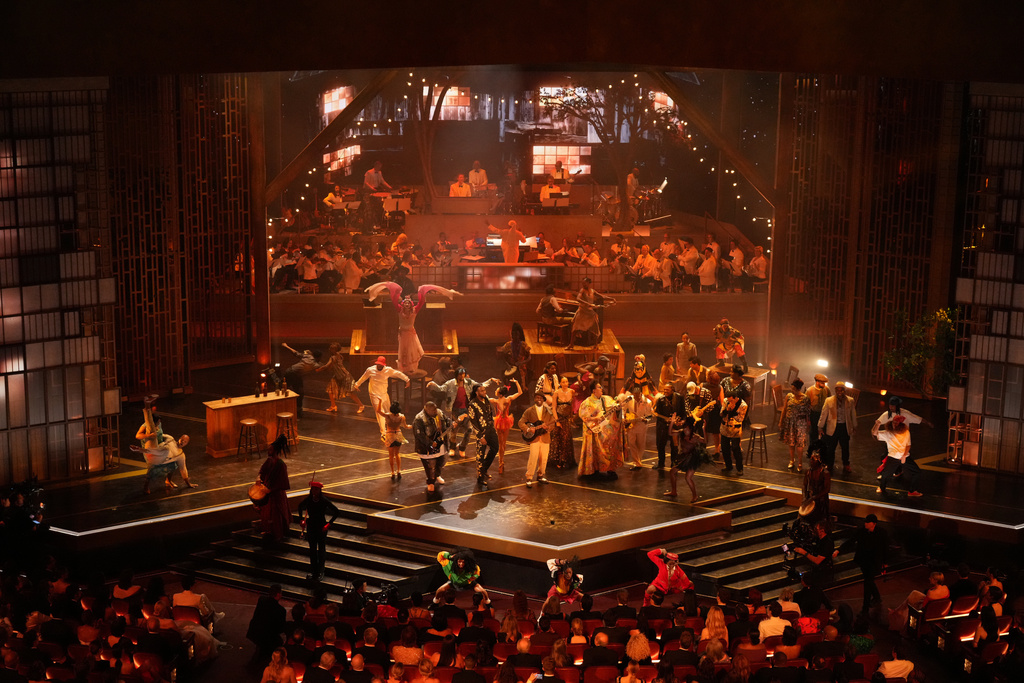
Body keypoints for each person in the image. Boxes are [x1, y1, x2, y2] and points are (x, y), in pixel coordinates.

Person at [366, 281, 462, 374]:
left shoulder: (415, 311)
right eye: (405, 303)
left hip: (411, 333)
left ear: (411, 304)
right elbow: (394, 300)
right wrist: (393, 290)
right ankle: (403, 367)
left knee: (411, 351)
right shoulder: (400, 310)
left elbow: (421, 302)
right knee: (403, 350)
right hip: (403, 333)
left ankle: (411, 368)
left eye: (408, 303)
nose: (407, 304)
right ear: (402, 304)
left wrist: (423, 292)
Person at [429, 367, 493, 459]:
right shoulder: (450, 383)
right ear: (456, 375)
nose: (462, 376)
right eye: (460, 374)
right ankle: (452, 447)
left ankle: (462, 447)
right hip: (455, 410)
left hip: (467, 410)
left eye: (463, 374)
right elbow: (441, 389)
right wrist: (433, 384)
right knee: (454, 430)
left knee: (469, 430)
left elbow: (480, 385)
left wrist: (490, 380)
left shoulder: (469, 382)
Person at [834, 513, 888, 614]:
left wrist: (885, 562)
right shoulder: (861, 531)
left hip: (873, 562)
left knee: (867, 583)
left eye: (868, 522)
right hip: (863, 561)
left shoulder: (882, 533)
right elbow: (851, 541)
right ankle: (876, 597)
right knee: (869, 581)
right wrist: (839, 550)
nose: (865, 524)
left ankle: (865, 608)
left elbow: (885, 548)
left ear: (874, 524)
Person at [355, 355, 411, 436]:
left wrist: (407, 379)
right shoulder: (370, 370)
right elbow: (364, 377)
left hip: (384, 393)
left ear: (383, 364)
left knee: (388, 411)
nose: (379, 366)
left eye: (381, 364)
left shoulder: (388, 370)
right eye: (378, 364)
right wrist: (357, 384)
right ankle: (383, 432)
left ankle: (395, 425)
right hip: (374, 394)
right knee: (379, 412)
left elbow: (397, 373)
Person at [578, 383, 624, 479]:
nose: (601, 389)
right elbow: (584, 417)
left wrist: (619, 407)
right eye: (599, 387)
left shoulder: (606, 399)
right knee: (594, 449)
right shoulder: (587, 402)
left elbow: (615, 407)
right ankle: (594, 468)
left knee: (610, 447)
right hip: (595, 430)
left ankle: (610, 468)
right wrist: (595, 419)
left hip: (606, 432)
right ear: (593, 390)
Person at [297, 479, 340, 581]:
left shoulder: (324, 500)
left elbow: (336, 511)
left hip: (321, 526)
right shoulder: (309, 500)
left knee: (321, 550)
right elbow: (299, 506)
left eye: (316, 489)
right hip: (311, 526)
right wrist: (301, 519)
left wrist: (329, 524)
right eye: (313, 489)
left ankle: (321, 571)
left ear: (319, 490)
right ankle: (314, 571)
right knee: (312, 550)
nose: (314, 491)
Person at [873, 415, 922, 497]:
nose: (895, 425)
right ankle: (882, 488)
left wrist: (904, 456)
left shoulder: (906, 432)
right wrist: (877, 424)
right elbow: (875, 433)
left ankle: (912, 491)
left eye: (897, 423)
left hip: (905, 457)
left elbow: (908, 445)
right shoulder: (887, 433)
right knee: (885, 474)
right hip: (893, 457)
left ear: (901, 424)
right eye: (894, 422)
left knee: (917, 472)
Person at [413, 401, 454, 492]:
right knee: (430, 465)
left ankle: (437, 475)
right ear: (426, 410)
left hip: (440, 442)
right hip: (426, 446)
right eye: (433, 410)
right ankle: (430, 481)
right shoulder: (419, 419)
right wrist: (430, 443)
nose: (435, 412)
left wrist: (451, 423)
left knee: (442, 461)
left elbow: (447, 420)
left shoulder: (439, 413)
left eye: (436, 409)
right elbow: (419, 435)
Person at [256, 435, 291, 541]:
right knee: (267, 514)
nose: (268, 452)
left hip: (276, 494)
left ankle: (278, 534)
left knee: (276, 515)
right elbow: (262, 471)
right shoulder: (269, 461)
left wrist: (270, 489)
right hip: (268, 493)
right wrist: (258, 478)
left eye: (270, 450)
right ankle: (268, 531)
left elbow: (283, 482)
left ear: (275, 451)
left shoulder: (281, 465)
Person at [818, 381, 857, 474]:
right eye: (837, 390)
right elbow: (824, 414)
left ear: (844, 390)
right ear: (835, 390)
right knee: (831, 448)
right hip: (832, 427)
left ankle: (846, 464)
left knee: (845, 447)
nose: (839, 392)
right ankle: (830, 464)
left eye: (841, 390)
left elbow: (853, 414)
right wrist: (820, 427)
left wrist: (854, 426)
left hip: (844, 426)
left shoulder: (850, 400)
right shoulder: (829, 400)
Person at [468, 382, 502, 488]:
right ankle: (480, 477)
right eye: (482, 391)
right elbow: (473, 422)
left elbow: (489, 414)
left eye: (484, 390)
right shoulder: (472, 404)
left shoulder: (486, 400)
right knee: (480, 454)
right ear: (476, 392)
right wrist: (480, 436)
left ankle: (484, 469)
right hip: (482, 432)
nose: (484, 392)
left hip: (490, 429)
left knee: (495, 448)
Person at [521, 392, 557, 488]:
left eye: (541, 398)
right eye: (537, 398)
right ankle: (529, 477)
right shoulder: (529, 411)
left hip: (545, 437)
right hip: (535, 438)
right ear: (534, 399)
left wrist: (548, 428)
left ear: (544, 400)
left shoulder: (548, 411)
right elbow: (521, 422)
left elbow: (553, 423)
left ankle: (540, 475)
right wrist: (528, 429)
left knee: (544, 458)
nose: (539, 399)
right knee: (533, 457)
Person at [316, 343, 364, 414]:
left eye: (332, 348)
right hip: (339, 375)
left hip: (343, 376)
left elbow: (327, 366)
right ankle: (333, 405)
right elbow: (332, 367)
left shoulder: (333, 357)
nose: (330, 350)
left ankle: (361, 405)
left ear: (335, 349)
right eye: (330, 348)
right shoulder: (340, 356)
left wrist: (318, 369)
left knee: (350, 393)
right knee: (330, 390)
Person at [666, 418, 703, 501]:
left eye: (686, 428)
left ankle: (695, 496)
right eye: (684, 428)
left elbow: (705, 441)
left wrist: (704, 429)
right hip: (684, 457)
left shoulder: (694, 437)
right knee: (672, 472)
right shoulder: (681, 433)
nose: (685, 430)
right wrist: (672, 422)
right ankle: (674, 491)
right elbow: (670, 433)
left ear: (690, 428)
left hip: (692, 459)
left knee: (688, 478)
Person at [281, 342, 322, 417]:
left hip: (291, 372)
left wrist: (286, 346)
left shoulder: (308, 356)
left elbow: (295, 353)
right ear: (318, 357)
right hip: (292, 374)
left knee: (298, 391)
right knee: (288, 390)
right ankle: (291, 409)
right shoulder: (316, 364)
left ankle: (297, 410)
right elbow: (323, 368)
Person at [491, 379, 522, 474]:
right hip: (505, 421)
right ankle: (501, 461)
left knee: (501, 443)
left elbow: (484, 397)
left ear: (500, 394)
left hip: (500, 422)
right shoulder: (508, 399)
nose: (495, 391)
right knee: (503, 443)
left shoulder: (495, 401)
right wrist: (516, 382)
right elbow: (520, 392)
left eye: (497, 390)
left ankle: (501, 462)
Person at [779, 378, 811, 472]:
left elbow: (808, 413)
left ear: (798, 388)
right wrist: (781, 421)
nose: (792, 390)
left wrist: (808, 424)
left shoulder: (805, 399)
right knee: (791, 443)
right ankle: (791, 460)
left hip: (801, 424)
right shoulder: (789, 396)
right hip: (790, 422)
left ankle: (800, 462)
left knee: (800, 444)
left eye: (794, 389)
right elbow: (784, 409)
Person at [247, 584, 287, 659]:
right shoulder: (281, 610)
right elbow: (280, 629)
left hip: (254, 631)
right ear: (278, 594)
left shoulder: (261, 600)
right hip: (267, 637)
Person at [619, 385, 653, 470]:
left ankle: (639, 460)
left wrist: (646, 420)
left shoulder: (647, 402)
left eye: (637, 395)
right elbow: (623, 409)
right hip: (631, 424)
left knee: (640, 444)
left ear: (641, 394)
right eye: (634, 395)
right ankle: (636, 463)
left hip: (641, 425)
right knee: (632, 443)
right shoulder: (629, 399)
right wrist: (624, 418)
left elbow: (650, 415)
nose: (636, 397)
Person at [375, 400, 409, 480]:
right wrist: (411, 426)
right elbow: (406, 426)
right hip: (398, 434)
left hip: (390, 435)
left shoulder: (388, 416)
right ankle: (399, 471)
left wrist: (380, 401)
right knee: (397, 454)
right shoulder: (402, 416)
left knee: (391, 455)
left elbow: (378, 411)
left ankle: (393, 472)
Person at [793, 520, 834, 587]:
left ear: (822, 531)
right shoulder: (819, 539)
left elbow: (818, 560)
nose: (815, 530)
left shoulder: (827, 543)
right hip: (818, 570)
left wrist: (804, 552)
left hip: (824, 574)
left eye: (816, 529)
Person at [652, 382, 683, 472]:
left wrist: (681, 420)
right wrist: (665, 420)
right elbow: (657, 414)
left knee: (674, 446)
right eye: (664, 390)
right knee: (660, 445)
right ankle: (661, 463)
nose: (665, 391)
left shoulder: (679, 398)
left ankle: (674, 462)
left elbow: (682, 412)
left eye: (667, 390)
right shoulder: (661, 400)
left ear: (672, 390)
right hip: (663, 427)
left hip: (674, 427)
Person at [549, 377, 577, 470]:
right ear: (560, 383)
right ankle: (558, 461)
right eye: (563, 382)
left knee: (566, 440)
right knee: (558, 440)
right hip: (559, 419)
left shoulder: (571, 392)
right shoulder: (556, 393)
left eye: (566, 382)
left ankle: (566, 460)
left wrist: (572, 417)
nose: (565, 383)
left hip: (567, 419)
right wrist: (557, 421)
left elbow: (573, 405)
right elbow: (553, 408)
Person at [568, 277, 602, 348]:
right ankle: (571, 344)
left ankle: (595, 345)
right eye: (582, 283)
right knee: (575, 328)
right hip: (582, 311)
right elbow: (578, 298)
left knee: (595, 327)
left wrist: (611, 299)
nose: (583, 284)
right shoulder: (582, 290)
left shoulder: (592, 291)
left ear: (589, 283)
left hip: (590, 312)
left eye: (585, 283)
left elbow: (601, 296)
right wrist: (587, 303)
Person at [802, 446, 831, 526]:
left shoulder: (825, 473)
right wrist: (805, 497)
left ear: (818, 461)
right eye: (811, 459)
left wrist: (814, 497)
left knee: (820, 521)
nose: (811, 461)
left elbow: (826, 489)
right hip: (810, 497)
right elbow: (804, 485)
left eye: (813, 460)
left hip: (821, 500)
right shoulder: (808, 471)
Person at [719, 391, 747, 475]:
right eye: (728, 400)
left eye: (731, 400)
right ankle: (728, 466)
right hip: (725, 428)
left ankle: (739, 468)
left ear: (735, 398)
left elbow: (740, 419)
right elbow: (721, 413)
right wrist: (727, 410)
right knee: (724, 448)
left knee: (735, 449)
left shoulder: (743, 405)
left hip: (735, 430)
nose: (729, 401)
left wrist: (733, 411)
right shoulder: (725, 401)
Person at [805, 374, 830, 457]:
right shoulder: (810, 390)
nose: (823, 385)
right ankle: (811, 451)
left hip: (824, 414)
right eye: (822, 383)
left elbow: (830, 400)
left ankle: (822, 451)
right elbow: (806, 406)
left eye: (824, 383)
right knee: (813, 433)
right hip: (814, 414)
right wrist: (808, 419)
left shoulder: (826, 389)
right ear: (817, 382)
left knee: (824, 433)